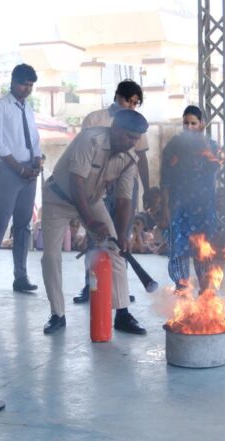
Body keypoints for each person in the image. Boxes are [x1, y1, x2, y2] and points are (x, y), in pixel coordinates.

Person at [41, 109, 149, 335]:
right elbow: (76, 184)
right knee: (51, 256)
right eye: (129, 136)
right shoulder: (89, 140)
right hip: (59, 198)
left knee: (117, 251)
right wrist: (90, 223)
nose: (132, 142)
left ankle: (122, 314)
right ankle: (57, 314)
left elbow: (124, 201)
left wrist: (122, 235)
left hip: (92, 200)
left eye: (136, 139)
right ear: (115, 129)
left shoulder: (130, 159)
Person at [73, 80, 150, 304]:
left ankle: (119, 287)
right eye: (128, 100)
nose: (131, 106)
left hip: (125, 181)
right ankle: (91, 286)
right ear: (117, 96)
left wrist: (145, 187)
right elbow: (83, 152)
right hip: (97, 182)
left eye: (136, 103)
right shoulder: (95, 119)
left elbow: (142, 156)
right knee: (96, 233)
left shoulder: (137, 124)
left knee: (121, 236)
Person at [0, 64, 41, 298]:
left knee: (24, 226)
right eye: (24, 84)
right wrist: (21, 170)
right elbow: (0, 146)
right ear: (13, 82)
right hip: (8, 172)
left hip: (29, 173)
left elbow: (34, 140)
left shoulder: (28, 110)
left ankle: (21, 277)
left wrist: (37, 162)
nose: (27, 89)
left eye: (31, 86)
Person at [160, 105, 220, 291]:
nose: (189, 127)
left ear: (202, 124)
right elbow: (165, 180)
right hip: (179, 207)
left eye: (193, 123)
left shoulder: (212, 147)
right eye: (186, 123)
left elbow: (214, 178)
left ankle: (205, 296)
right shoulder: (173, 146)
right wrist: (165, 208)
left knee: (203, 250)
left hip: (203, 207)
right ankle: (182, 292)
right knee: (179, 250)